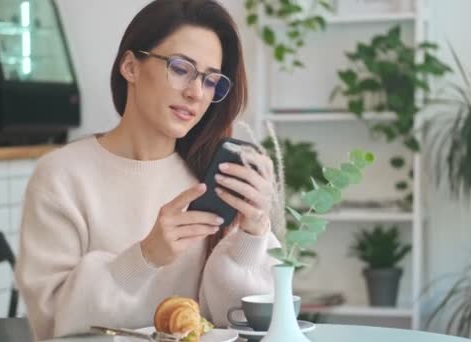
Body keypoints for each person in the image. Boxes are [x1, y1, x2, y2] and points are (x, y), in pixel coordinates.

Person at [14, 0, 280, 339]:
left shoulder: (213, 179)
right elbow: (50, 321)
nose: (196, 92)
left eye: (211, 80)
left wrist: (252, 235)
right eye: (181, 68)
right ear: (130, 66)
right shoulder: (61, 177)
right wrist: (144, 258)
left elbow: (242, 322)